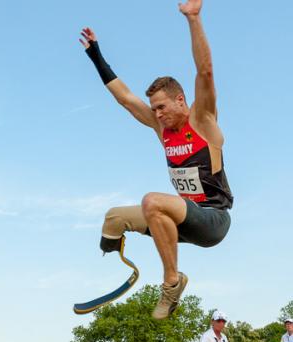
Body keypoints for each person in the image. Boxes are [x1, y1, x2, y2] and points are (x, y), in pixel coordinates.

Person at [80, 0, 232, 319]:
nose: (157, 114)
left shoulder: (202, 121)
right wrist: (95, 54)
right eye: (154, 109)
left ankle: (171, 283)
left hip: (213, 221)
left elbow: (205, 72)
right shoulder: (160, 128)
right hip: (179, 221)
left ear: (181, 101)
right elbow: (124, 97)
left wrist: (193, 18)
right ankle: (116, 264)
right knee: (113, 218)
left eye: (162, 107)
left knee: (152, 201)